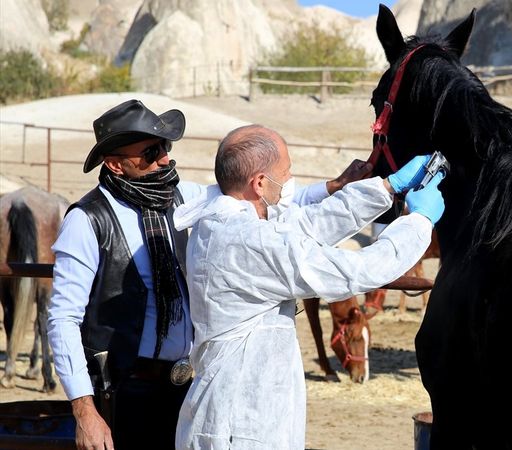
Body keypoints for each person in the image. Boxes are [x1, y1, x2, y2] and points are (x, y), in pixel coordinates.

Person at [47, 101, 369, 450]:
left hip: (185, 386)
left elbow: (253, 193)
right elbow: (63, 319)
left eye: (165, 148)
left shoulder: (182, 197)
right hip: (123, 392)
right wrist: (84, 412)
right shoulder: (86, 220)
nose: (165, 160)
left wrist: (333, 186)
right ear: (115, 164)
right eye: (151, 152)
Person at [173, 124, 445, 449]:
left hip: (240, 412)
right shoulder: (246, 241)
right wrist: (419, 222)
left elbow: (308, 223)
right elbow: (354, 271)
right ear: (259, 183)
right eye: (285, 173)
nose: (289, 181)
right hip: (239, 422)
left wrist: (386, 188)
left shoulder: (226, 221)